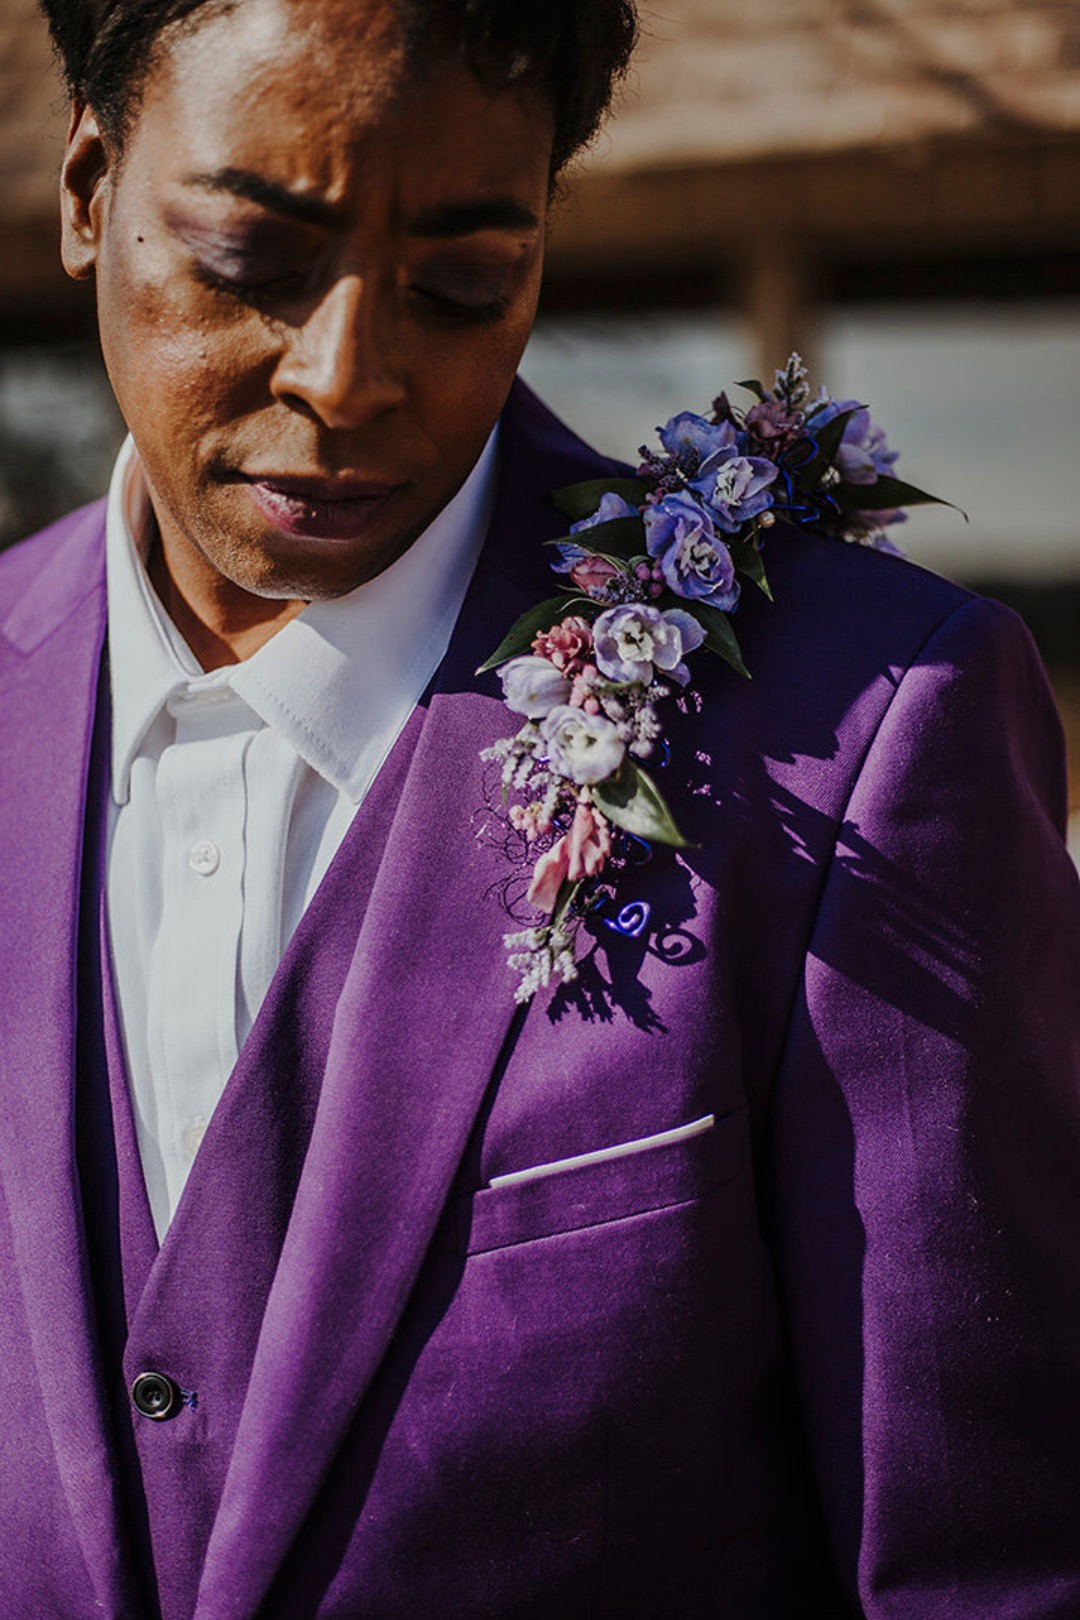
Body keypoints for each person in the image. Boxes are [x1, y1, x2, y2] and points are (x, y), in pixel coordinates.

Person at [2, 0, 1079, 1615]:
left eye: (461, 281)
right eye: (250, 256)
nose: (347, 375)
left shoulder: (861, 734)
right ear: (89, 194)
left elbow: (983, 1568)